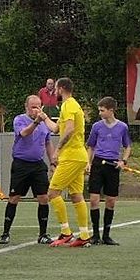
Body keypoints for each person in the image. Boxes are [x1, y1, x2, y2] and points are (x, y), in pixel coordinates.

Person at [2, 95, 56, 245]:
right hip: (21, 164)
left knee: (43, 198)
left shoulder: (44, 123)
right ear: (26, 107)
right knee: (14, 197)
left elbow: (48, 142)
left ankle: (43, 234)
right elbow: (24, 133)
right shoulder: (19, 119)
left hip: (38, 165)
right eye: (33, 107)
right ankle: (5, 233)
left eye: (38, 106)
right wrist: (36, 122)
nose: (36, 110)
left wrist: (53, 161)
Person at [45, 78, 92, 247]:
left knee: (53, 193)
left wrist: (57, 150)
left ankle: (66, 232)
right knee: (76, 195)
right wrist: (43, 117)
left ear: (62, 88)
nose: (54, 91)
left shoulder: (68, 104)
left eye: (56, 88)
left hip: (71, 156)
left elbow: (70, 129)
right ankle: (84, 235)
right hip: (78, 156)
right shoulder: (70, 105)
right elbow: (56, 128)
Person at [87, 96, 131, 245]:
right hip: (98, 164)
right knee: (94, 199)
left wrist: (123, 161)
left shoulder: (122, 127)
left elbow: (128, 146)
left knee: (111, 201)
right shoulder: (96, 126)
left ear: (111, 110)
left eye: (102, 110)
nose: (100, 113)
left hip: (113, 165)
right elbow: (91, 146)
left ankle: (106, 235)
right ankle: (95, 235)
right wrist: (88, 163)